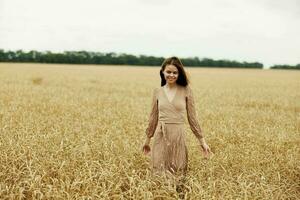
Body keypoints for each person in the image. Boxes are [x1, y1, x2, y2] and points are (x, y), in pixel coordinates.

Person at [142, 56, 212, 179]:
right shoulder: (157, 91)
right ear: (162, 72)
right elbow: (153, 118)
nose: (172, 75)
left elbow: (192, 118)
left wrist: (202, 142)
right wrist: (147, 141)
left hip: (178, 137)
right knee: (158, 172)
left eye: (175, 72)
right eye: (168, 72)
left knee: (178, 174)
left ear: (179, 74)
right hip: (161, 136)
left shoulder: (186, 90)